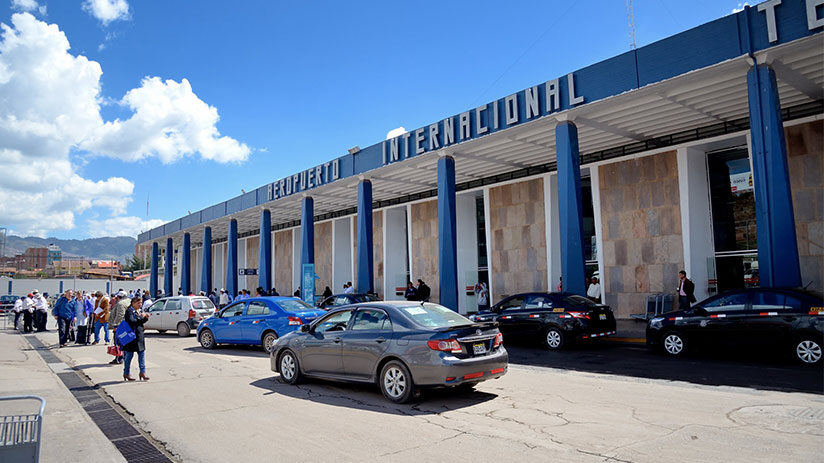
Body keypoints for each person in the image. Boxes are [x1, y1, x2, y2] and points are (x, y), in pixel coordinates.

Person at [122, 296, 150, 382]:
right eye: (138, 303)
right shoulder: (129, 311)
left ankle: (143, 372)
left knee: (141, 355)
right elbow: (131, 321)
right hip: (131, 337)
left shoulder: (139, 311)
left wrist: (145, 318)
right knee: (129, 356)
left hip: (139, 336)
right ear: (133, 303)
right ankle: (126, 373)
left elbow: (140, 322)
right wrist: (141, 318)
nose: (140, 305)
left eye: (141, 303)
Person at [109, 292, 130, 364]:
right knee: (124, 342)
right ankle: (123, 357)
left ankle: (120, 357)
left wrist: (115, 325)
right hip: (127, 325)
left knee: (118, 342)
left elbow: (120, 316)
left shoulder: (121, 304)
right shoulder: (129, 301)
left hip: (120, 325)